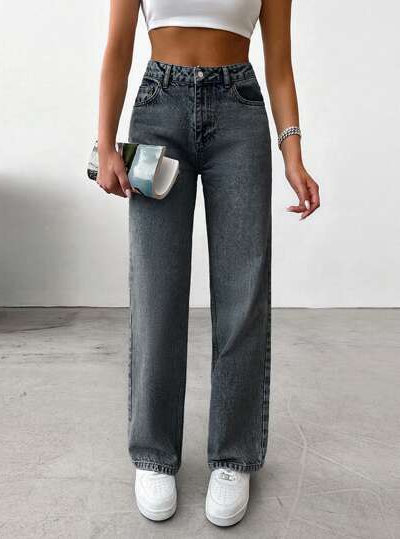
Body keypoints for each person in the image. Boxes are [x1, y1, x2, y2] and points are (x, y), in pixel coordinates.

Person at [96, 0, 320, 527]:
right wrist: (105, 144)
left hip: (239, 111)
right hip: (158, 109)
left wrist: (293, 156)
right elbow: (119, 47)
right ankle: (154, 454)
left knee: (243, 292)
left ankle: (234, 456)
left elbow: (279, 63)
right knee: (156, 292)